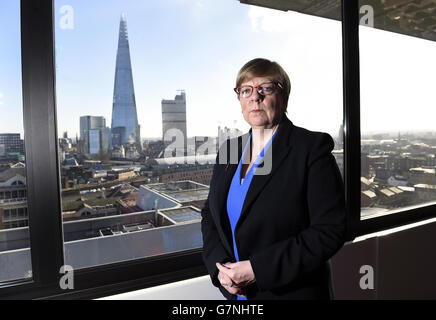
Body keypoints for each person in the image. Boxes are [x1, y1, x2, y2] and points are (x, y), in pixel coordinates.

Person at [200, 58, 346, 300]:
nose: (254, 97)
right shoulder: (230, 150)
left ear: (284, 97)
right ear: (239, 99)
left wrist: (258, 269)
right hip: (237, 295)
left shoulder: (310, 149)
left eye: (265, 88)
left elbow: (330, 230)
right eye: (246, 90)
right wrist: (220, 269)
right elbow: (210, 215)